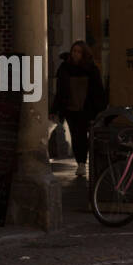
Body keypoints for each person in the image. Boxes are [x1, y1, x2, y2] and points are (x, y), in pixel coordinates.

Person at [53, 41, 107, 177]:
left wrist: (100, 109)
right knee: (77, 137)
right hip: (71, 109)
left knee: (87, 137)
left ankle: (88, 162)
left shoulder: (91, 69)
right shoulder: (64, 68)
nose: (75, 54)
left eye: (79, 52)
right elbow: (59, 91)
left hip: (87, 109)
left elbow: (98, 91)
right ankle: (81, 163)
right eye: (74, 51)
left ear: (84, 54)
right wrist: (54, 110)